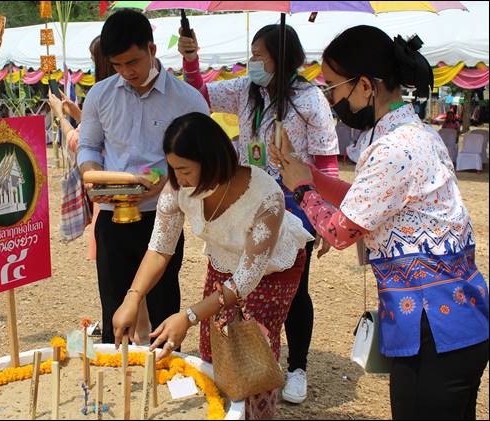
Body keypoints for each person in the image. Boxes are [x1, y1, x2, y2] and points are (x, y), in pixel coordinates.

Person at [271, 26, 489, 420]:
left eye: (333, 87)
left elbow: (339, 231)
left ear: (366, 87)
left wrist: (302, 191)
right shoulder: (413, 134)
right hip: (447, 321)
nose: (332, 99)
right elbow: (364, 199)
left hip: (436, 327)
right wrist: (309, 175)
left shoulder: (394, 148)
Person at [112, 112, 312, 419]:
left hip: (273, 269)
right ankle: (221, 409)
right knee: (214, 342)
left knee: (250, 350)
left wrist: (188, 316)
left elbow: (246, 280)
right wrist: (133, 297)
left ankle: (254, 413)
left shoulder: (266, 196)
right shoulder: (179, 189)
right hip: (223, 263)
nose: (178, 179)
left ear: (213, 160)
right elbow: (160, 248)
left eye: (185, 170)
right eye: (173, 169)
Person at [178, 23, 339, 403]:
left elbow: (327, 161)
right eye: (251, 55)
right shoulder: (244, 90)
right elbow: (200, 96)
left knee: (295, 289)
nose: (252, 63)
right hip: (248, 203)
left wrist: (325, 214)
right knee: (244, 284)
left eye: (259, 56)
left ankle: (296, 366)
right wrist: (190, 60)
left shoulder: (309, 99)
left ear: (282, 59)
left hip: (296, 208)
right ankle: (243, 360)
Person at [77, 9, 210, 346]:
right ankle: (116, 377)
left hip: (163, 218)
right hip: (111, 216)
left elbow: (201, 159)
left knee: (164, 303)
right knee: (114, 305)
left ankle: (165, 375)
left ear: (151, 49)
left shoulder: (187, 99)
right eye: (117, 65)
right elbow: (89, 145)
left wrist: (165, 179)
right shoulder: (100, 95)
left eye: (132, 62)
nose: (126, 72)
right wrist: (91, 173)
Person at [48, 35, 116, 260]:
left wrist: (59, 115)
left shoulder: (103, 95)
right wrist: (77, 113)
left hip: (109, 202)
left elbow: (79, 142)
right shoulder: (124, 95)